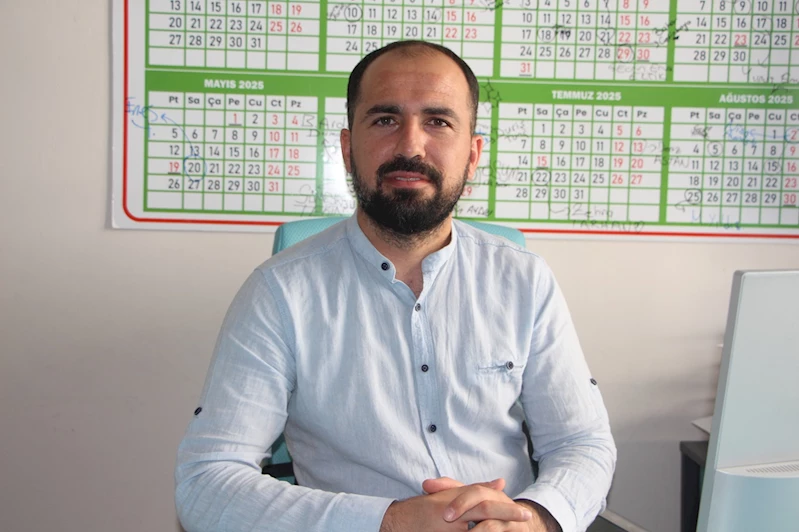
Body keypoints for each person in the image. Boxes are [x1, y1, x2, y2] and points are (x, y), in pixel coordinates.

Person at [175, 40, 616, 532]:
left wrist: (535, 519)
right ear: (348, 150)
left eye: (438, 121)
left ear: (472, 155)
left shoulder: (524, 280)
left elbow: (582, 443)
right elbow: (206, 483)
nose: (410, 146)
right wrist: (389, 521)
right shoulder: (280, 292)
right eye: (385, 119)